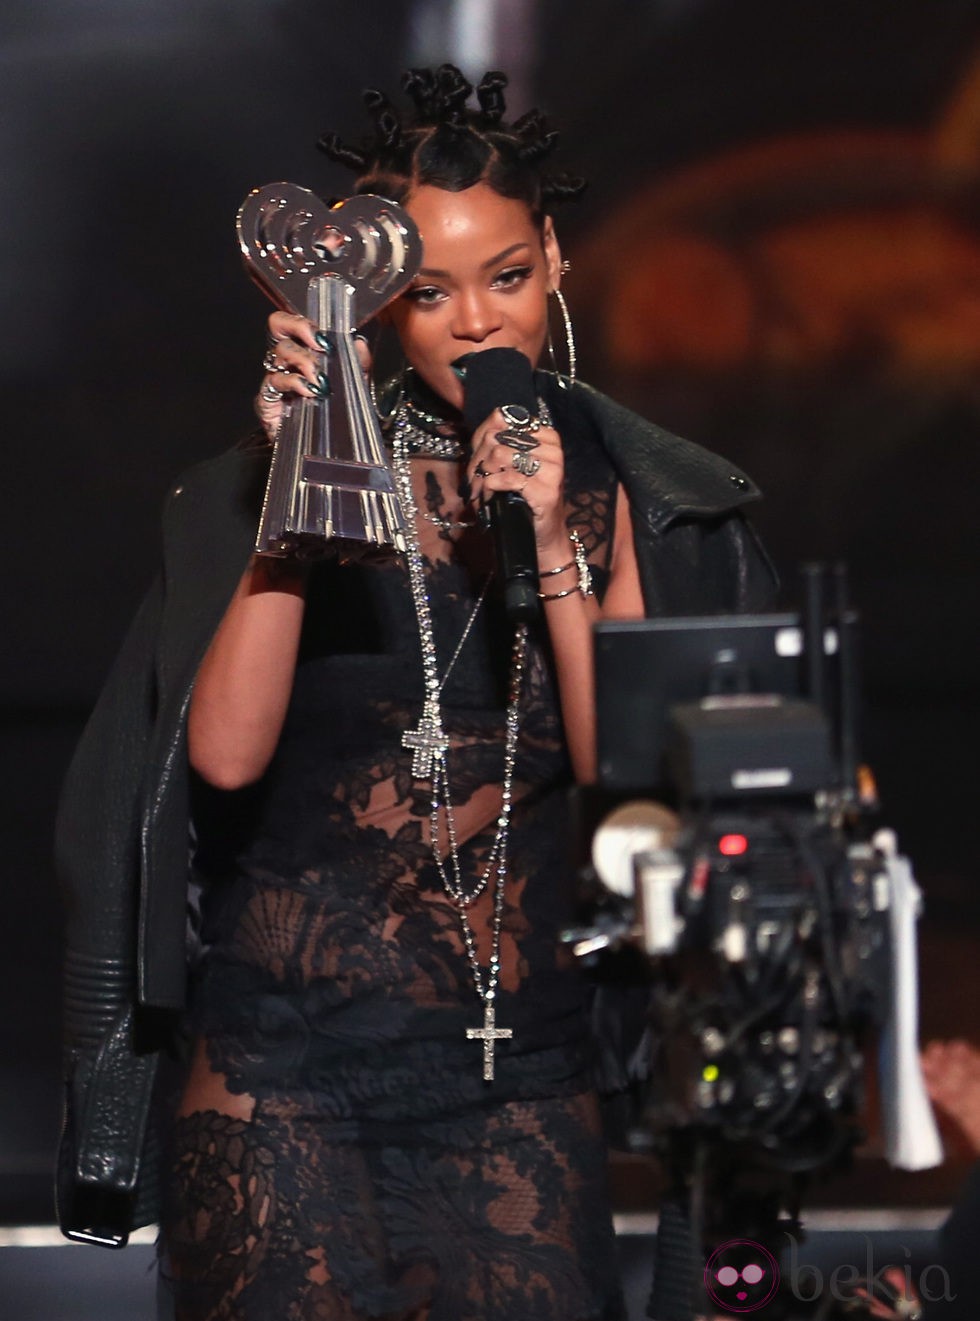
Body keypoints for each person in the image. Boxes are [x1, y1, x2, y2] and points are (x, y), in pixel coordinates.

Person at [56, 65, 775, 1320]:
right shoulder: (284, 476)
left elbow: (629, 777)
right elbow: (221, 760)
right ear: (376, 305)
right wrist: (294, 498)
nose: (475, 322)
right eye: (428, 292)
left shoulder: (634, 494)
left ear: (554, 260)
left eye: (505, 275)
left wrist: (548, 533)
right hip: (283, 1072)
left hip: (517, 1076)